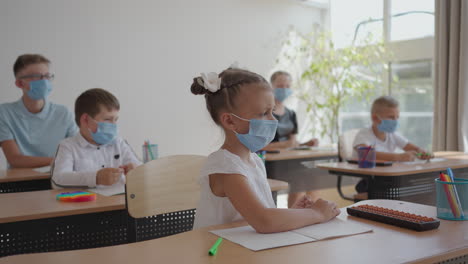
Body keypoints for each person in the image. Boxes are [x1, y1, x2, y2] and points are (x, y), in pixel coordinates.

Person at [191, 67, 339, 233]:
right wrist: (316, 213)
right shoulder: (226, 166)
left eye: (272, 111)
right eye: (264, 113)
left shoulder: (253, 160)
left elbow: (261, 214)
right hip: (217, 252)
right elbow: (264, 221)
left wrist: (295, 213)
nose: (273, 120)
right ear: (230, 121)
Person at [51, 88, 141, 190]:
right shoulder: (67, 146)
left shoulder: (119, 143)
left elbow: (143, 170)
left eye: (115, 120)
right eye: (108, 119)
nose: (114, 125)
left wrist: (136, 170)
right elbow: (58, 180)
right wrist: (96, 178)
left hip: (119, 202)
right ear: (85, 120)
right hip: (86, 204)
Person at [0, 54, 77, 168]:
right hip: (21, 181)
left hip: (60, 178)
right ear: (19, 83)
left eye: (47, 76)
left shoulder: (64, 114)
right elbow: (15, 159)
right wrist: (58, 160)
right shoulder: (5, 113)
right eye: (36, 76)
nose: (44, 81)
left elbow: (77, 152)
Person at [264, 71, 321, 207]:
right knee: (299, 178)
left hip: (288, 161)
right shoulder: (265, 113)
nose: (284, 89)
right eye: (280, 85)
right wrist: (285, 144)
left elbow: (293, 143)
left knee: (311, 177)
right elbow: (260, 146)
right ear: (271, 86)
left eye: (287, 86)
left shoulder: (291, 114)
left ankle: (303, 214)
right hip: (269, 163)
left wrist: (307, 143)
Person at [352, 95, 432, 193]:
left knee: (420, 184)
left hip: (388, 177)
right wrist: (399, 157)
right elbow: (366, 154)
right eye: (391, 117)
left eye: (397, 117)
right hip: (368, 181)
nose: (395, 121)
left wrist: (422, 152)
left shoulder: (392, 135)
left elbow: (412, 148)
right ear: (375, 118)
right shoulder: (364, 134)